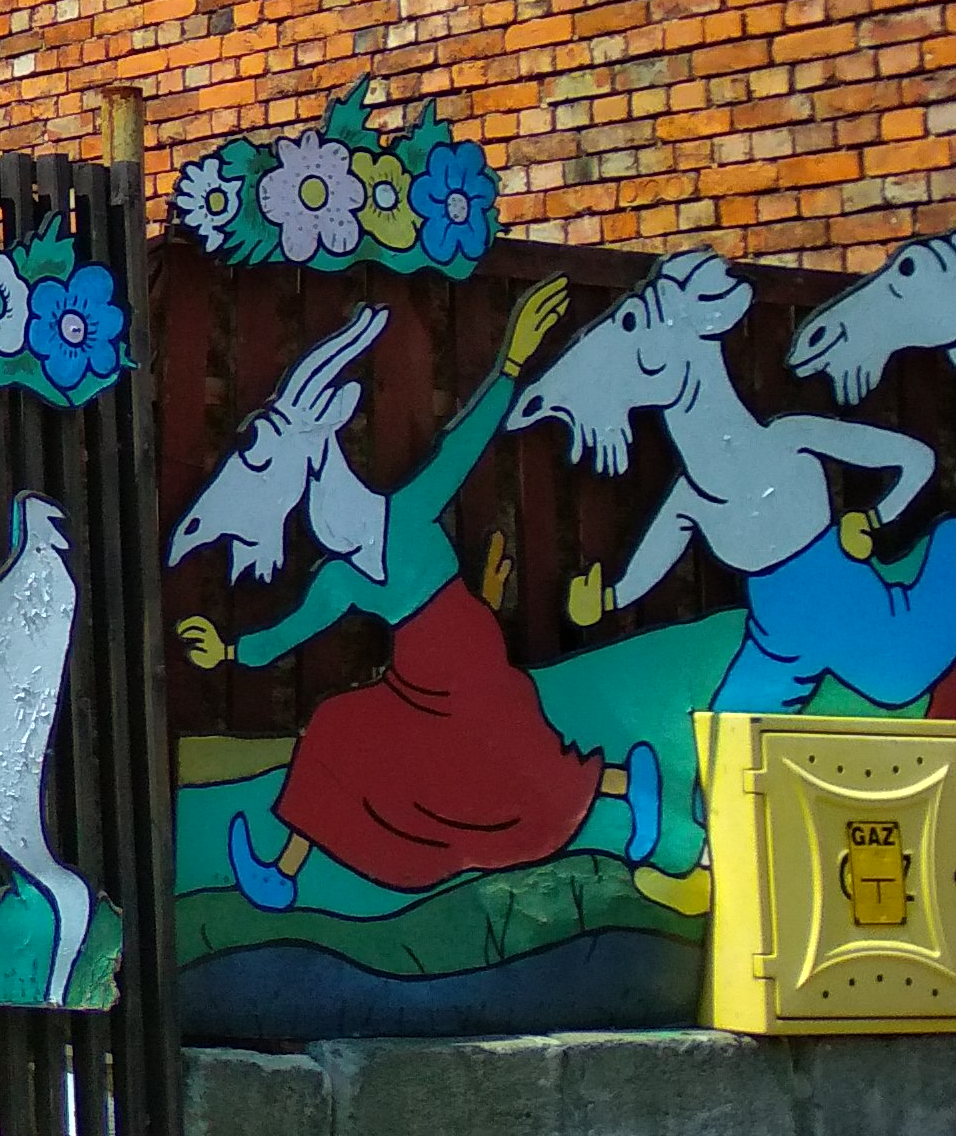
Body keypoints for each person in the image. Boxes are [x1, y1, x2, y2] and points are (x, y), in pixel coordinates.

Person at [176, 281, 658, 910]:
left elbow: (462, 448)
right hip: (414, 678)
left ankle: (626, 785)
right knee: (336, 728)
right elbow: (291, 631)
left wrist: (511, 365)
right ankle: (282, 872)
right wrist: (228, 651)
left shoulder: (406, 513)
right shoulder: (339, 577)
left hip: (465, 658)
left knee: (519, 759)